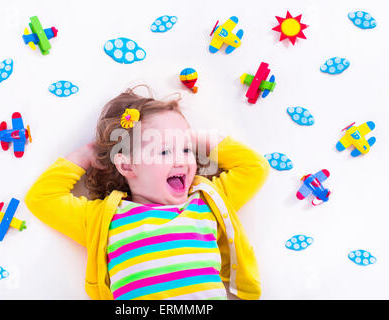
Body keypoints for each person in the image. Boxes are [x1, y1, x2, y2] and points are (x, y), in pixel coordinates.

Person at [25, 85, 269, 300]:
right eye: (164, 152)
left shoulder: (207, 201)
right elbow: (42, 197)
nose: (182, 160)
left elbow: (254, 168)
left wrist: (195, 136)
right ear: (127, 165)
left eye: (186, 149)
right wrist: (87, 154)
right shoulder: (103, 220)